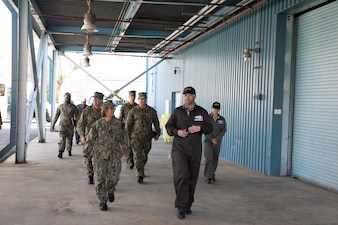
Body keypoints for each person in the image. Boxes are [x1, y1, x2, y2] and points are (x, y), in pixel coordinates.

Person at [165, 86, 213, 219]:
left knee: (192, 178)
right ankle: (181, 206)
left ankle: (188, 204)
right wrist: (177, 132)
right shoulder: (177, 112)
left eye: (190, 95)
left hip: (195, 150)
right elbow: (169, 127)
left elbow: (209, 128)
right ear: (183, 97)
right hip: (179, 149)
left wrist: (199, 128)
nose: (187, 97)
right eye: (185, 95)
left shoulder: (202, 112)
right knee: (181, 176)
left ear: (195, 96)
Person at [82, 100, 125, 211]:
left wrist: (125, 153)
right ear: (105, 110)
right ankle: (102, 200)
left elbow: (123, 139)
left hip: (114, 154)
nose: (113, 110)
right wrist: (86, 154)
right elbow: (90, 139)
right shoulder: (98, 124)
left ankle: (110, 190)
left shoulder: (118, 124)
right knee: (100, 179)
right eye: (111, 108)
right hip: (99, 155)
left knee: (113, 178)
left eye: (114, 108)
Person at [125, 92, 161, 183]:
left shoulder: (151, 111)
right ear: (138, 100)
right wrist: (128, 137)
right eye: (141, 99)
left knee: (144, 156)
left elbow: (156, 122)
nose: (142, 100)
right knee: (137, 155)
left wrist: (157, 133)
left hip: (147, 137)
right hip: (135, 137)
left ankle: (141, 167)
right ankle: (139, 173)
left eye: (144, 99)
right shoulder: (133, 111)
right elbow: (128, 125)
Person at [77, 92, 104, 184]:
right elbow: (80, 124)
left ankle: (101, 176)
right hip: (90, 138)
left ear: (101, 100)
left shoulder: (105, 110)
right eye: (94, 99)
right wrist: (82, 135)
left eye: (97, 99)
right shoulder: (87, 110)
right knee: (89, 157)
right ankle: (90, 174)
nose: (95, 101)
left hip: (103, 139)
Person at [51, 92, 80, 158]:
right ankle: (60, 151)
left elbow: (78, 116)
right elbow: (56, 116)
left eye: (68, 97)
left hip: (70, 125)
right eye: (66, 97)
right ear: (64, 98)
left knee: (69, 139)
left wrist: (76, 124)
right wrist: (53, 124)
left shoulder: (73, 107)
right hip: (62, 125)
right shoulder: (60, 107)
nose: (67, 98)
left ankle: (69, 150)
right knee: (62, 138)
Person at [203, 102, 226, 184]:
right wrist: (211, 138)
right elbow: (204, 129)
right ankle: (207, 176)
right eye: (214, 108)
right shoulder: (207, 118)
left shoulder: (222, 120)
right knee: (209, 158)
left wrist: (217, 139)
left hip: (217, 142)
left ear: (219, 109)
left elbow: (223, 130)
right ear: (211, 109)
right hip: (208, 141)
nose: (215, 110)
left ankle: (212, 174)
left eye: (217, 109)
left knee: (215, 158)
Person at [119, 90, 137, 169]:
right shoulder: (124, 107)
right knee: (128, 145)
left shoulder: (137, 107)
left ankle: (135, 159)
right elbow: (120, 118)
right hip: (127, 129)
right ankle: (130, 161)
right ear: (129, 97)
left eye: (134, 96)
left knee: (136, 145)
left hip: (136, 129)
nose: (132, 98)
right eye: (131, 96)